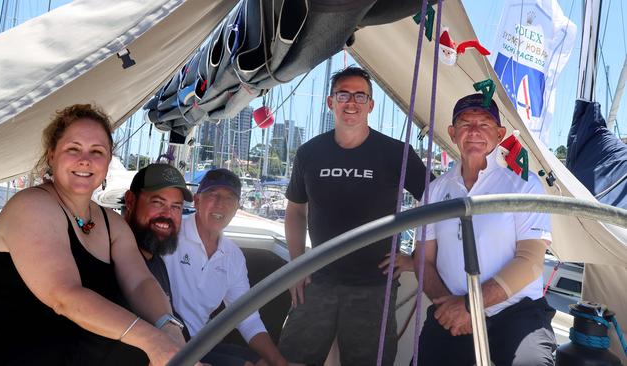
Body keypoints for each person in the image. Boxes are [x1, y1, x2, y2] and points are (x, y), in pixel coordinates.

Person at [0, 104, 185, 366]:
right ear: (52, 155)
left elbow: (140, 283)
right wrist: (153, 342)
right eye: (73, 149)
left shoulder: (112, 224)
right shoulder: (31, 207)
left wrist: (169, 329)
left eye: (97, 152)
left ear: (108, 161)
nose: (85, 160)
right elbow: (65, 296)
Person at [278, 66, 428, 365]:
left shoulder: (397, 153)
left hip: (374, 287)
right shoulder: (309, 153)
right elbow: (296, 210)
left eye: (360, 96)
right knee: (291, 359)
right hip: (316, 282)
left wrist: (415, 259)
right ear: (330, 102)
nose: (352, 102)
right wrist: (296, 265)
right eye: (343, 94)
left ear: (371, 105)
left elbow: (435, 202)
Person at [411, 93, 556, 365]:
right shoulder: (435, 190)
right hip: (452, 307)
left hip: (516, 314)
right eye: (466, 123)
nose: (474, 131)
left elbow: (531, 262)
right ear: (453, 134)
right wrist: (451, 308)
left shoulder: (525, 186)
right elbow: (423, 259)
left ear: (499, 134)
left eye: (485, 124)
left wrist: (470, 306)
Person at [163, 168, 288, 366]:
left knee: (266, 362)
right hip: (165, 341)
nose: (220, 204)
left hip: (201, 342)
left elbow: (247, 317)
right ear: (196, 201)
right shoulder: (169, 236)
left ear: (237, 207)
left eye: (229, 198)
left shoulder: (233, 256)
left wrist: (280, 362)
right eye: (213, 195)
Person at [123, 163, 193, 340]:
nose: (168, 214)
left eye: (176, 207)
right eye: (158, 202)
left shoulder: (157, 262)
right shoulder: (110, 259)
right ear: (130, 201)